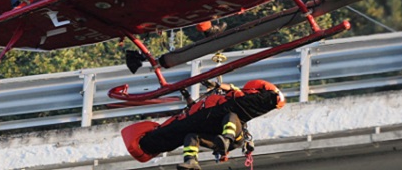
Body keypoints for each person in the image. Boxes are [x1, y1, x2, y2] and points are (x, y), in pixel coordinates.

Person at [121, 79, 286, 170]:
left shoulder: (236, 99)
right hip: (214, 134)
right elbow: (192, 108)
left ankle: (226, 138)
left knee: (230, 114)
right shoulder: (207, 107)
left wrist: (218, 85)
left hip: (234, 135)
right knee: (191, 136)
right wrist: (186, 94)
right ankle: (191, 162)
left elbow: (237, 91)